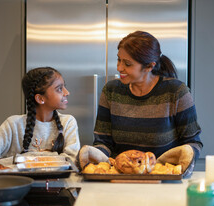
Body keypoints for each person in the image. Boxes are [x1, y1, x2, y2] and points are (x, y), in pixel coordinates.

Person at [78, 31, 202, 177]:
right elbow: (103, 142)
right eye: (119, 60)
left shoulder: (176, 92)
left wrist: (185, 159)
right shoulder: (111, 91)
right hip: (119, 178)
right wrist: (95, 154)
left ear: (149, 66)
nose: (119, 68)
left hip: (162, 179)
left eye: (127, 64)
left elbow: (194, 143)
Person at [0, 67, 80, 161]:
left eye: (64, 87)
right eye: (59, 89)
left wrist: (24, 159)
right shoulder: (13, 124)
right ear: (40, 98)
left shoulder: (68, 122)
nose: (67, 93)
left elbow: (72, 159)